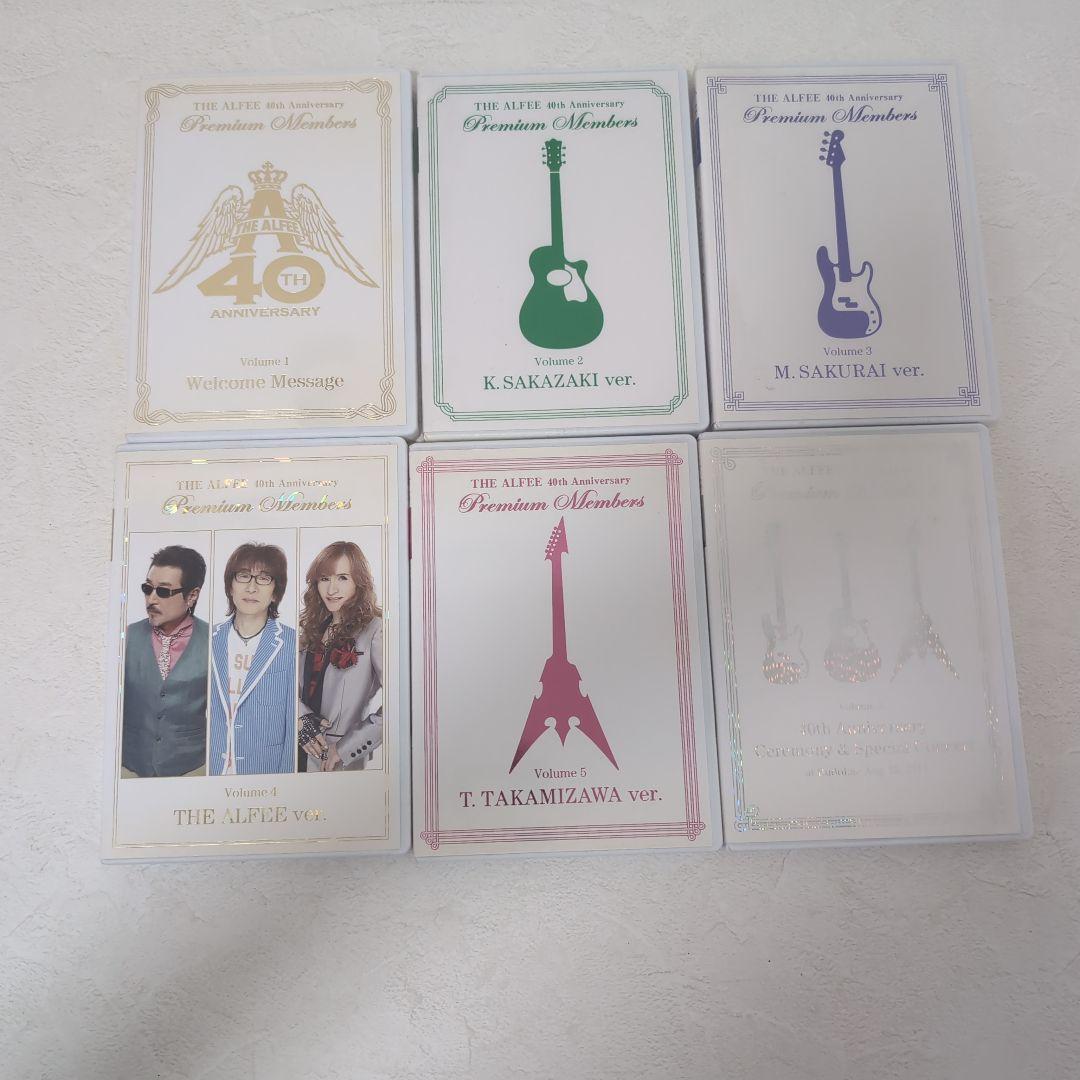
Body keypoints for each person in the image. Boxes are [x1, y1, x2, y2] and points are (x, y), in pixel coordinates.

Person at [122, 545, 209, 778]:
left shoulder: (215, 641)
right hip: (129, 768)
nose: (151, 599)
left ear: (192, 595)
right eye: (147, 588)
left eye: (163, 591)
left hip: (193, 769)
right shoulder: (125, 637)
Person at [209, 543, 296, 775]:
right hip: (213, 771)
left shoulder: (292, 643)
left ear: (276, 592)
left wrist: (286, 780)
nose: (252, 587)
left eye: (264, 578)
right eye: (243, 576)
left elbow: (291, 723)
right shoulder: (207, 639)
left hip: (265, 771)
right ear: (230, 586)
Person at [297, 541, 383, 773]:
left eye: (343, 578)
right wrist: (299, 718)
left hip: (337, 762)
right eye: (325, 579)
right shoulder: (310, 630)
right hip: (296, 753)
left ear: (359, 582)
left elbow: (399, 703)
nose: (331, 590)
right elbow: (285, 689)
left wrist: (346, 748)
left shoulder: (375, 630)